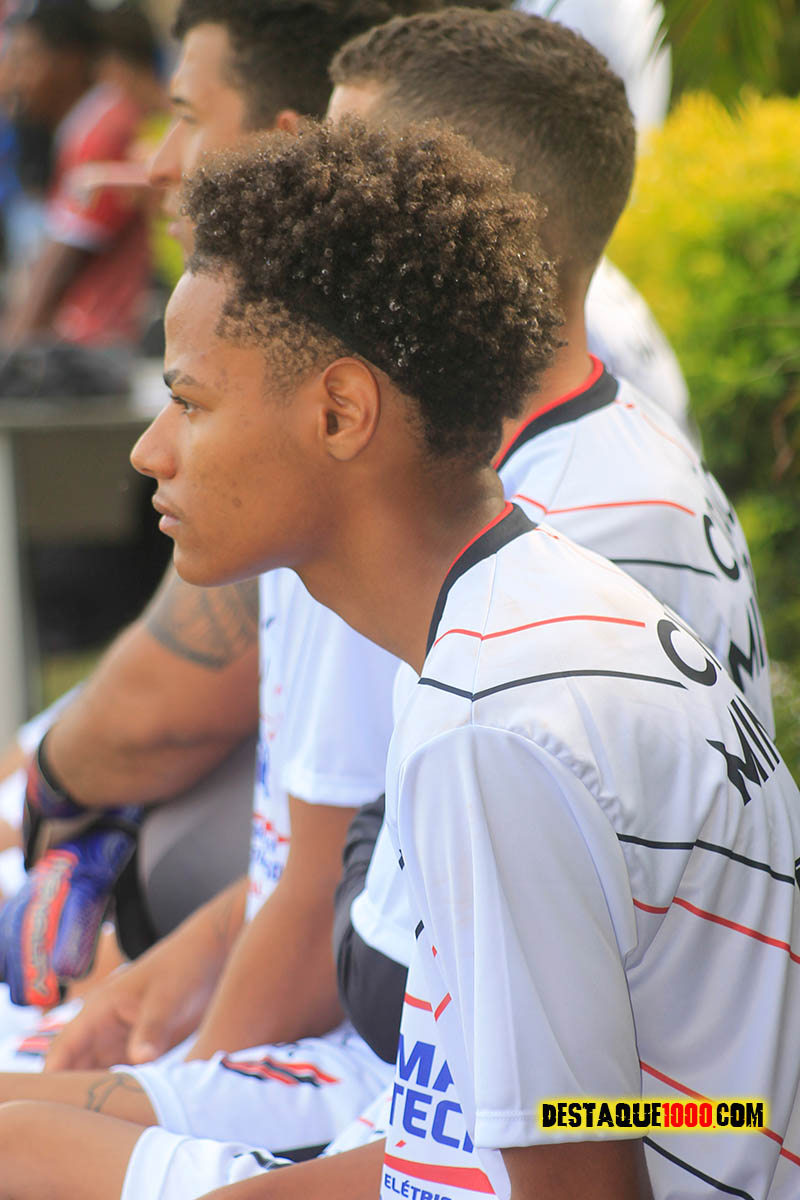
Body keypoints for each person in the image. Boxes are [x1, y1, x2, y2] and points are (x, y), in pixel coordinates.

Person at [0, 109, 798, 1200]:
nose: (150, 450)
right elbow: (562, 1121)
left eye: (189, 401)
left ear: (340, 411)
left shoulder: (497, 720)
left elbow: (582, 1172)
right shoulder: (504, 621)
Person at [0, 0, 151, 353]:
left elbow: (58, 269)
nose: (14, 79)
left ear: (68, 60)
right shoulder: (85, 124)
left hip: (97, 348)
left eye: (25, 60)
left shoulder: (102, 128)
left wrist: (10, 355)